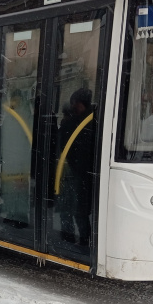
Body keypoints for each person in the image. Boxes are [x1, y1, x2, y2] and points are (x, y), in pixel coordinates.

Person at [56, 88, 97, 246]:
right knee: (79, 209)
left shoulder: (79, 123)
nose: (73, 107)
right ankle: (83, 237)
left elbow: (66, 147)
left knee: (72, 207)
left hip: (76, 172)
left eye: (75, 104)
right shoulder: (90, 120)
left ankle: (71, 236)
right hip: (81, 172)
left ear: (81, 104)